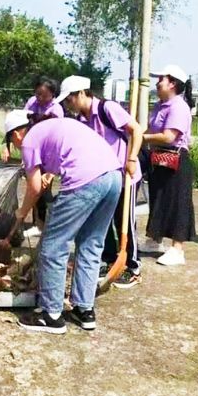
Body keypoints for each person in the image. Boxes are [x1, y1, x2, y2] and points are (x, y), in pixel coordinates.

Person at [0, 110, 122, 334]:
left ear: (16, 134)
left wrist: (22, 212)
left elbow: (34, 187)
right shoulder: (52, 127)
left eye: (11, 141)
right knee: (91, 243)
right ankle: (84, 310)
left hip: (86, 180)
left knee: (53, 246)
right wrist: (48, 175)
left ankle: (51, 315)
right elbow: (64, 156)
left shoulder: (29, 140)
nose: (16, 146)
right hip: (114, 176)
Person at [56, 75, 144, 288]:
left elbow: (137, 130)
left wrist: (131, 158)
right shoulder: (81, 121)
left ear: (81, 94)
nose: (69, 105)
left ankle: (132, 266)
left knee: (123, 221)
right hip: (101, 178)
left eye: (69, 100)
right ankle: (109, 259)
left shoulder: (107, 109)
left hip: (126, 174)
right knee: (101, 220)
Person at [141, 64, 196, 266]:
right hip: (159, 158)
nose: (157, 83)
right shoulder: (160, 105)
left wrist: (143, 137)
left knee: (177, 203)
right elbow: (149, 129)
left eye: (161, 80)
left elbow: (169, 136)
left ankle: (177, 249)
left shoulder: (178, 107)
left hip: (176, 159)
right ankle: (155, 240)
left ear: (172, 83)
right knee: (158, 199)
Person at [1, 77, 64, 237]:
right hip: (33, 147)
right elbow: (18, 125)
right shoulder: (31, 103)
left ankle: (47, 223)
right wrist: (6, 145)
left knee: (43, 189)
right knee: (34, 186)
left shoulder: (56, 110)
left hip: (49, 152)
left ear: (53, 95)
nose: (41, 99)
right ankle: (38, 223)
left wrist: (51, 171)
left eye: (45, 96)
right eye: (38, 95)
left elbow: (57, 138)